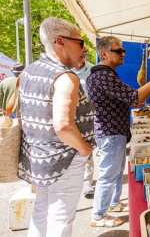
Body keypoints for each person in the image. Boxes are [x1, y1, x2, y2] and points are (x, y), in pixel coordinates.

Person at [18, 17, 95, 237]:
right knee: (61, 219)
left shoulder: (30, 71)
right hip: (63, 159)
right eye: (80, 43)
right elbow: (63, 126)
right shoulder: (65, 77)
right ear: (60, 41)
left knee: (42, 211)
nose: (85, 49)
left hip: (40, 158)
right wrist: (83, 148)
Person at [87, 36, 150, 227]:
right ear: (104, 53)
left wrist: (135, 99)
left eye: (123, 50)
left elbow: (132, 99)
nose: (123, 54)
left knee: (117, 171)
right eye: (118, 51)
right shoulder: (104, 76)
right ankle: (98, 215)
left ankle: (114, 203)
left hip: (113, 131)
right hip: (110, 132)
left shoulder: (107, 75)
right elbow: (135, 96)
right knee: (109, 173)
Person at [72, 60, 96, 195]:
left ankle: (87, 180)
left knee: (87, 147)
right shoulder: (65, 70)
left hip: (88, 116)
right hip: (69, 114)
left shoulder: (92, 71)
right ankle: (75, 179)